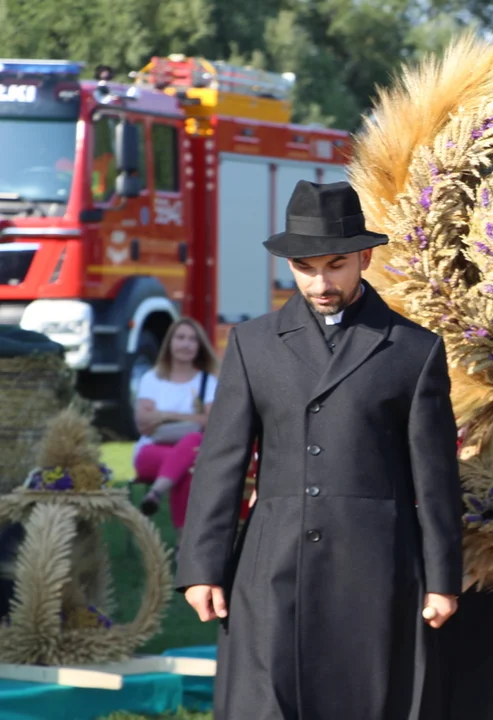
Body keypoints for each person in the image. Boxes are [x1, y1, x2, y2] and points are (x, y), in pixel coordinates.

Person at [174, 180, 464, 719]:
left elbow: (436, 477)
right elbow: (222, 461)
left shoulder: (414, 349)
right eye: (306, 267)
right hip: (273, 561)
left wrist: (443, 579)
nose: (320, 281)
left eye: (334, 265)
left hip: (377, 568)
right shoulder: (251, 344)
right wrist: (201, 567)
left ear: (364, 258)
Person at [132, 317, 219, 536]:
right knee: (190, 455)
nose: (186, 344)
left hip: (190, 452)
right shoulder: (152, 379)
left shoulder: (207, 382)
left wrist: (163, 415)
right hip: (150, 452)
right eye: (180, 338)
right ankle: (185, 545)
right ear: (170, 343)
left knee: (191, 452)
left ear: (199, 346)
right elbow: (144, 424)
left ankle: (155, 493)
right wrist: (192, 418)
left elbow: (211, 422)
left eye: (192, 339)